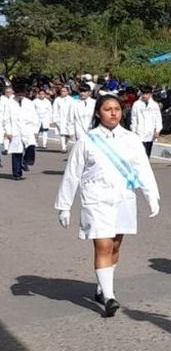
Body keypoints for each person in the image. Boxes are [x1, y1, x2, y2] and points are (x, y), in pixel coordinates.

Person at [54, 94, 161, 318]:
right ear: (97, 113)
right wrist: (64, 206)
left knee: (114, 246)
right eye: (107, 109)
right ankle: (110, 297)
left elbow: (143, 169)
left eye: (117, 109)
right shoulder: (87, 140)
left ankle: (103, 286)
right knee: (102, 245)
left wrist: (152, 196)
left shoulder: (131, 139)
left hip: (123, 198)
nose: (113, 113)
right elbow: (72, 174)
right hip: (96, 199)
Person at [2, 84, 39, 179]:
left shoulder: (29, 103)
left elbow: (35, 117)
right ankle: (17, 174)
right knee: (16, 152)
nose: (21, 96)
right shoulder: (9, 103)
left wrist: (35, 131)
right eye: (19, 94)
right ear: (15, 92)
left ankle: (25, 162)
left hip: (27, 129)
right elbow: (6, 119)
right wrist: (8, 131)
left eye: (22, 94)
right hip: (15, 129)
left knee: (31, 146)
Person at [130, 87, 163, 157]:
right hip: (139, 131)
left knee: (147, 153)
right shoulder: (136, 104)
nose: (144, 95)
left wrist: (158, 130)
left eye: (146, 94)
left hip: (150, 132)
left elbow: (158, 118)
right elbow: (134, 118)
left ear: (150, 95)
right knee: (140, 152)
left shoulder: (154, 105)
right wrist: (134, 130)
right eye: (143, 93)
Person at [52, 86, 76, 150]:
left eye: (64, 91)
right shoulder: (57, 99)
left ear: (68, 92)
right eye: (61, 91)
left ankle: (65, 144)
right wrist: (54, 119)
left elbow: (73, 110)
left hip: (69, 119)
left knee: (68, 134)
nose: (62, 92)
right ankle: (63, 147)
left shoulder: (71, 100)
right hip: (60, 119)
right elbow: (55, 109)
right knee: (62, 133)